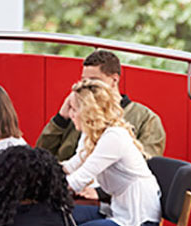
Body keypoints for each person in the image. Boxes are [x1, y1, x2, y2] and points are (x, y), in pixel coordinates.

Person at [61, 79, 162, 226]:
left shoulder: (114, 137)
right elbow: (72, 166)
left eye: (73, 108)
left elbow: (78, 180)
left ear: (88, 111)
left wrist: (40, 187)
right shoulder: (91, 134)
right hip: (117, 210)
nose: (69, 114)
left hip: (138, 222)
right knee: (63, 219)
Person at [37, 50, 167, 160]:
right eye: (84, 80)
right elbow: (40, 157)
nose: (87, 86)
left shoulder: (147, 119)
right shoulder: (77, 113)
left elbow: (146, 164)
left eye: (94, 81)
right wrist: (61, 118)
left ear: (114, 80)